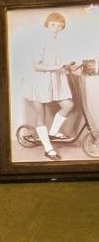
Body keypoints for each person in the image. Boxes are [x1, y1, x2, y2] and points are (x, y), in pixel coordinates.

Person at [23, 11, 79, 160]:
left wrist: (68, 67)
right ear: (47, 24)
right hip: (38, 81)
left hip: (54, 80)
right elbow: (36, 66)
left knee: (68, 105)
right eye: (53, 25)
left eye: (59, 26)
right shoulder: (39, 40)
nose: (55, 28)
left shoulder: (58, 42)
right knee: (41, 115)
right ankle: (48, 149)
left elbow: (58, 63)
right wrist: (58, 66)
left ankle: (53, 132)